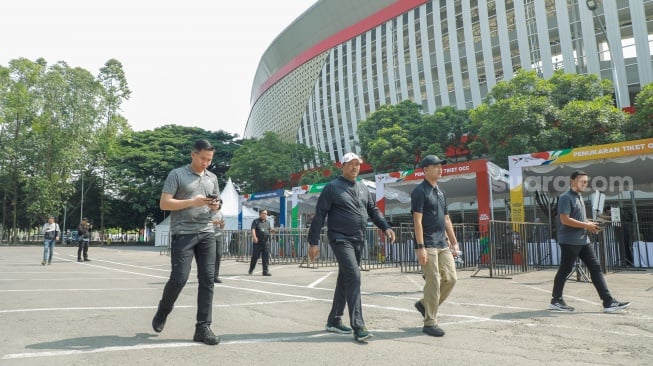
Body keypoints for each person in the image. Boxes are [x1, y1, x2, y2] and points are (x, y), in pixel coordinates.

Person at [308, 152, 396, 343]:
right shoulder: (332, 187)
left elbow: (372, 210)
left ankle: (334, 320)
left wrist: (386, 226)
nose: (356, 167)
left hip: (359, 238)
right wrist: (313, 242)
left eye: (358, 165)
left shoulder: (363, 186)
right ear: (343, 165)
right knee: (354, 276)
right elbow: (320, 214)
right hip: (340, 239)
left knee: (345, 278)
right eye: (352, 164)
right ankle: (359, 326)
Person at [151, 139, 222, 345]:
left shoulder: (212, 178)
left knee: (208, 279)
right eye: (202, 158)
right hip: (183, 233)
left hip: (207, 231)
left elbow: (215, 203)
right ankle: (163, 310)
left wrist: (215, 206)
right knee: (179, 278)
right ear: (193, 154)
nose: (206, 163)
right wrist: (192, 201)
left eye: (209, 160)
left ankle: (203, 327)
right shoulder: (177, 174)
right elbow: (164, 203)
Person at [549, 170, 630, 313]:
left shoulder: (579, 197)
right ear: (572, 181)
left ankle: (608, 302)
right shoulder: (565, 197)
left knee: (595, 267)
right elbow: (565, 219)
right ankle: (556, 300)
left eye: (586, 182)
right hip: (570, 240)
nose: (584, 184)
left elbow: (580, 219)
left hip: (582, 239)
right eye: (581, 181)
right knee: (565, 269)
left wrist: (591, 225)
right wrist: (586, 225)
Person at [411, 155, 459, 337]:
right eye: (435, 166)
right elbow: (417, 220)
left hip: (442, 243)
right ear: (425, 170)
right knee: (433, 281)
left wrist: (454, 242)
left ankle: (424, 304)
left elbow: (446, 219)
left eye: (441, 166)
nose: (440, 169)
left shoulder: (441, 192)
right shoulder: (419, 192)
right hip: (428, 244)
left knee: (451, 279)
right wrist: (420, 246)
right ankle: (430, 322)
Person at [248, 210, 273, 276]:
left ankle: (265, 271)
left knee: (265, 257)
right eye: (264, 213)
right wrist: (254, 237)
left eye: (266, 214)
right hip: (257, 242)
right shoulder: (256, 221)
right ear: (260, 214)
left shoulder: (268, 222)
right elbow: (253, 229)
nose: (265, 215)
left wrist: (272, 231)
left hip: (266, 242)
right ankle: (251, 268)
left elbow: (269, 229)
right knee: (255, 257)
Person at [212, 199, 225, 283]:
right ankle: (206, 275)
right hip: (209, 236)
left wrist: (222, 224)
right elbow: (203, 222)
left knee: (218, 255)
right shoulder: (208, 212)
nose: (216, 204)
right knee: (208, 257)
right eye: (214, 203)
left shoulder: (221, 214)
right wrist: (213, 222)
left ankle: (215, 276)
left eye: (217, 203)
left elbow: (222, 227)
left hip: (218, 236)